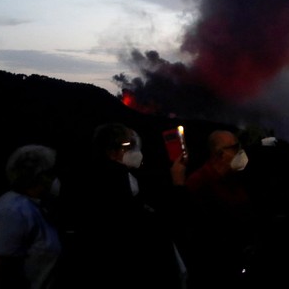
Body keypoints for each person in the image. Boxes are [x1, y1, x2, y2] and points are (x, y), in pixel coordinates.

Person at [65, 122, 186, 289]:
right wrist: (178, 185)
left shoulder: (90, 178)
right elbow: (146, 227)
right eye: (130, 146)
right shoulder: (118, 181)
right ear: (112, 151)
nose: (136, 152)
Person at [0, 144, 63, 289]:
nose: (56, 178)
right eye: (51, 173)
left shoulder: (36, 208)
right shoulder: (13, 209)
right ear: (38, 175)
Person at [183, 129, 256, 289]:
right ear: (220, 154)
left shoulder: (235, 179)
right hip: (215, 271)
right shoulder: (198, 183)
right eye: (235, 147)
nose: (240, 151)